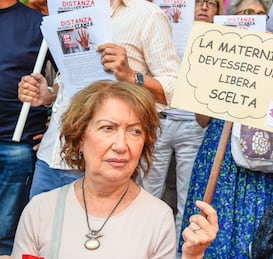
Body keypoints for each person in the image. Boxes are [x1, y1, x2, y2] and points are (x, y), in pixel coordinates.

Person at [10, 80, 218, 259]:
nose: (121, 145)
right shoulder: (41, 211)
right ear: (80, 136)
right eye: (108, 128)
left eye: (135, 131)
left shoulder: (158, 218)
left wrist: (193, 256)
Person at [18, 0, 179, 199]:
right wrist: (47, 95)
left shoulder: (147, 14)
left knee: (87, 230)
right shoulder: (70, 9)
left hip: (99, 164)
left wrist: (130, 75)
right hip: (50, 156)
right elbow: (70, 83)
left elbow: (175, 88)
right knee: (38, 227)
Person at [178, 0, 273, 257]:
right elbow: (202, 119)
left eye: (261, 15)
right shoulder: (217, 52)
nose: (254, 19)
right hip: (218, 150)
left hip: (258, 157)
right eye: (247, 14)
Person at [138, 0, 223, 253]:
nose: (205, 7)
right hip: (159, 121)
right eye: (199, 2)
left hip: (195, 127)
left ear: (219, 12)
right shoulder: (162, 31)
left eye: (212, 3)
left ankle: (181, 253)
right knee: (148, 193)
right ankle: (143, 249)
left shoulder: (221, 41)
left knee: (189, 198)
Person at [0, 0, 51, 254]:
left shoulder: (38, 23)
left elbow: (69, 84)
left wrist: (55, 128)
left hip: (17, 143)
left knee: (6, 230)